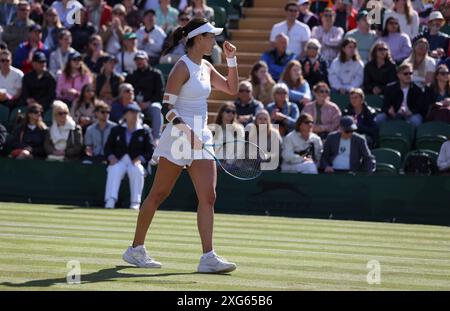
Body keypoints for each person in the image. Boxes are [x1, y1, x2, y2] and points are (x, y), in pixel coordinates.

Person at [122, 18, 239, 273]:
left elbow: (231, 88)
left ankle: (208, 256)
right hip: (178, 137)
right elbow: (167, 108)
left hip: (201, 137)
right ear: (198, 39)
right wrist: (187, 131)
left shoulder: (206, 66)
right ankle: (135, 249)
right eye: (211, 37)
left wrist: (232, 61)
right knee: (158, 194)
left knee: (209, 196)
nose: (214, 41)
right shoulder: (181, 68)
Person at [104, 102, 153, 210]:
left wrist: (140, 159)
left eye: (136, 113)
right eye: (131, 113)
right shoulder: (116, 130)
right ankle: (110, 200)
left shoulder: (145, 131)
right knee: (114, 169)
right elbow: (108, 148)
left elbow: (150, 150)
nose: (134, 115)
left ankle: (135, 202)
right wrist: (111, 157)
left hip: (136, 162)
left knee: (137, 170)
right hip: (119, 161)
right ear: (125, 115)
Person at [125, 50, 165, 142]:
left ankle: (156, 139)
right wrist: (135, 103)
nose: (139, 62)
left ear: (147, 59)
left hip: (150, 104)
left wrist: (148, 103)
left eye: (141, 59)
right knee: (128, 108)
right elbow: (126, 91)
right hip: (134, 104)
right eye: (137, 60)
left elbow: (160, 92)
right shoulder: (131, 75)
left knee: (157, 108)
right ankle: (130, 138)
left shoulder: (156, 74)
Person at [376, 63, 425, 127]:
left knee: (415, 120)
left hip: (411, 115)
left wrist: (411, 112)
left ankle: (412, 136)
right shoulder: (390, 88)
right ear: (398, 75)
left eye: (410, 73)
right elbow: (384, 106)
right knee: (379, 118)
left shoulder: (417, 90)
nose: (408, 76)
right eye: (405, 74)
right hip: (394, 114)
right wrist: (389, 111)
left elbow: (420, 107)